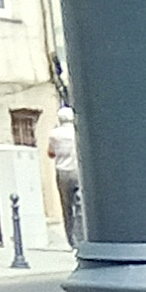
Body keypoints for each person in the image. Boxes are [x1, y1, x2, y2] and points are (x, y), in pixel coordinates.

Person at [46, 104, 82, 244]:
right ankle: (80, 236)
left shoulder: (54, 134)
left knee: (66, 207)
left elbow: (50, 153)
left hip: (62, 172)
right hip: (77, 170)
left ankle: (70, 239)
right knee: (79, 206)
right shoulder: (76, 132)